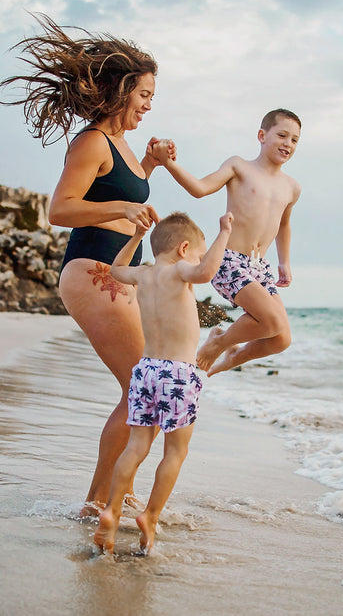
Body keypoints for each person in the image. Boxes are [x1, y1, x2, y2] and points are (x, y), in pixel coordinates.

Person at [0, 14, 176, 515]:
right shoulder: (91, 141)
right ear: (121, 90)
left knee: (148, 388)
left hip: (121, 275)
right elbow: (60, 210)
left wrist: (150, 166)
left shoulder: (120, 146)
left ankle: (111, 493)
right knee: (144, 386)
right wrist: (123, 207)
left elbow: (119, 191)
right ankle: (101, 500)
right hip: (91, 270)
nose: (147, 104)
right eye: (144, 94)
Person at [94, 210, 233, 554]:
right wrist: (225, 232)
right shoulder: (180, 270)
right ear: (185, 248)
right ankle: (150, 516)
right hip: (178, 374)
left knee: (135, 447)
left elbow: (115, 270)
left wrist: (136, 236)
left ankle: (111, 510)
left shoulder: (143, 274)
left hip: (145, 370)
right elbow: (205, 271)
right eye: (196, 252)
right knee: (175, 451)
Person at [152, 109, 301, 376]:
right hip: (228, 259)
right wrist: (169, 163)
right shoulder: (239, 166)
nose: (288, 144)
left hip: (260, 268)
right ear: (262, 135)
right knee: (271, 320)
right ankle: (219, 342)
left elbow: (284, 224)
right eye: (282, 135)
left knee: (282, 338)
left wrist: (284, 262)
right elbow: (199, 188)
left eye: (294, 140)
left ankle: (233, 354)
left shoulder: (291, 187)